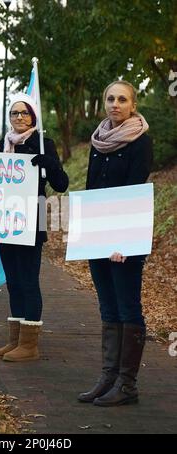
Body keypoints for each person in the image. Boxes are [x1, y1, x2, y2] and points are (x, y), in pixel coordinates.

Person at [78, 80, 153, 406]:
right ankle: (108, 377)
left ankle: (127, 385)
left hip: (126, 238)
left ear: (133, 104)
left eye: (122, 99)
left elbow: (134, 191)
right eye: (110, 98)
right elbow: (92, 187)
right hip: (97, 234)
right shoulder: (98, 141)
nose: (115, 104)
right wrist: (85, 234)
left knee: (127, 306)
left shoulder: (140, 141)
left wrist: (124, 240)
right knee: (107, 307)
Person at [0, 93, 69, 362]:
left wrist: (50, 164)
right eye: (14, 113)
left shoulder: (44, 144)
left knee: (28, 280)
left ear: (33, 117)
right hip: (4, 221)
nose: (19, 117)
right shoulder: (2, 146)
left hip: (31, 222)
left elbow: (61, 184)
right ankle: (15, 340)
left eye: (24, 113)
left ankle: (30, 344)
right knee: (13, 281)